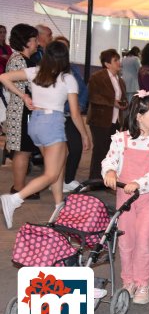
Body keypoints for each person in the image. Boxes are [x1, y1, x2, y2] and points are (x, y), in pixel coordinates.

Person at [0, 41, 90, 229]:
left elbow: (3, 77)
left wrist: (24, 96)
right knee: (51, 174)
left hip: (36, 123)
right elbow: (75, 113)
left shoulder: (35, 71)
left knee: (59, 162)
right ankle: (15, 199)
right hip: (53, 123)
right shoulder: (67, 78)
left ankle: (58, 206)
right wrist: (85, 135)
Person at [101, 94, 149, 304]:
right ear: (139, 117)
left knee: (144, 241)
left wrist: (139, 183)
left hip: (148, 199)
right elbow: (109, 159)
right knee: (125, 240)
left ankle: (143, 283)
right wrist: (110, 172)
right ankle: (128, 280)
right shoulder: (120, 139)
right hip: (125, 199)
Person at [3, 24, 40, 200]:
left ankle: (20, 186)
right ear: (26, 42)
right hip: (20, 112)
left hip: (24, 111)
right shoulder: (18, 59)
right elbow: (8, 82)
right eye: (34, 40)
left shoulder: (23, 59)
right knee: (22, 151)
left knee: (24, 150)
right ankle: (18, 189)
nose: (37, 43)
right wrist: (24, 95)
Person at [53, 36, 89, 192]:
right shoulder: (45, 70)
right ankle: (54, 181)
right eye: (60, 47)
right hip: (53, 118)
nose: (63, 51)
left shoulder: (72, 70)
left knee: (76, 148)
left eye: (66, 48)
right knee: (57, 154)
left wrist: (79, 104)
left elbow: (83, 89)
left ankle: (67, 180)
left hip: (70, 115)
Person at [87, 49, 127, 181]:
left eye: (118, 59)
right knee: (100, 149)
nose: (118, 63)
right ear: (107, 64)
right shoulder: (97, 77)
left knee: (111, 151)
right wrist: (113, 102)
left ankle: (107, 178)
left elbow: (122, 97)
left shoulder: (120, 80)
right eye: (115, 60)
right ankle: (94, 179)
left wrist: (124, 104)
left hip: (115, 119)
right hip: (99, 119)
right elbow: (93, 97)